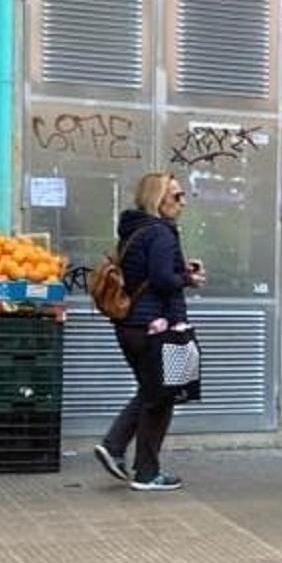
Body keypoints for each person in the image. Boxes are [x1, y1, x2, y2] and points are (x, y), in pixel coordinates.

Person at [93, 173, 206, 492]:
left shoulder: (136, 230)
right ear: (158, 199)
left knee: (152, 391)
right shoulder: (160, 233)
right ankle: (146, 472)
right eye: (177, 195)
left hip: (131, 325)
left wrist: (181, 271)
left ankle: (114, 446)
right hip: (154, 327)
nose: (182, 202)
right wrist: (187, 279)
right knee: (161, 396)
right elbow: (161, 279)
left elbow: (148, 271)